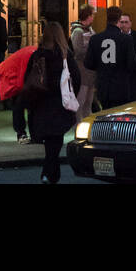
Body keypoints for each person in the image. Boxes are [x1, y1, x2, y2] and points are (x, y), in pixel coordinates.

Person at [22, 21, 81, 184]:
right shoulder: (65, 55)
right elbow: (76, 78)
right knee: (55, 142)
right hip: (59, 104)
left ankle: (50, 175)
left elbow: (28, 79)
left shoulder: (37, 55)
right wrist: (70, 95)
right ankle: (48, 174)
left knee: (50, 144)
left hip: (41, 105)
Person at [85, 5, 134, 110]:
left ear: (107, 18)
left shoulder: (95, 39)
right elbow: (131, 65)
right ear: (119, 19)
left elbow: (88, 63)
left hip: (103, 85)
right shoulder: (126, 39)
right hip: (121, 86)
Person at [0, 42, 38, 144]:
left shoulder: (34, 52)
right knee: (19, 104)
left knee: (24, 104)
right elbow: (22, 74)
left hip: (16, 74)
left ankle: (29, 134)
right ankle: (22, 134)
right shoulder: (32, 54)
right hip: (12, 75)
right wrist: (22, 89)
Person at [69, 5, 96, 122]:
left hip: (91, 71)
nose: (93, 17)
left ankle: (87, 122)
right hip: (82, 70)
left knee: (89, 101)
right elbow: (77, 50)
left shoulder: (90, 30)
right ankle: (78, 124)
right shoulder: (78, 31)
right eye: (92, 15)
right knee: (81, 99)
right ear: (88, 16)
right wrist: (91, 48)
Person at [119, 12, 136, 100]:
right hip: (121, 73)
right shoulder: (117, 36)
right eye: (122, 22)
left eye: (126, 22)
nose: (124, 25)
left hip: (135, 72)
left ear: (130, 23)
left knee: (134, 96)